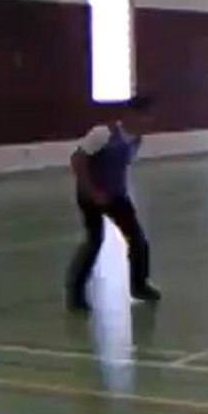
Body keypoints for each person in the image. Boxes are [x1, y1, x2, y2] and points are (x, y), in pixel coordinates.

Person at [66, 95, 161, 313]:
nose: (149, 121)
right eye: (146, 115)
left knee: (137, 241)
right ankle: (76, 293)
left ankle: (139, 286)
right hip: (91, 196)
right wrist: (92, 191)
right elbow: (78, 159)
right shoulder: (103, 134)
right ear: (132, 114)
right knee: (94, 241)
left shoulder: (137, 139)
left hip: (117, 196)